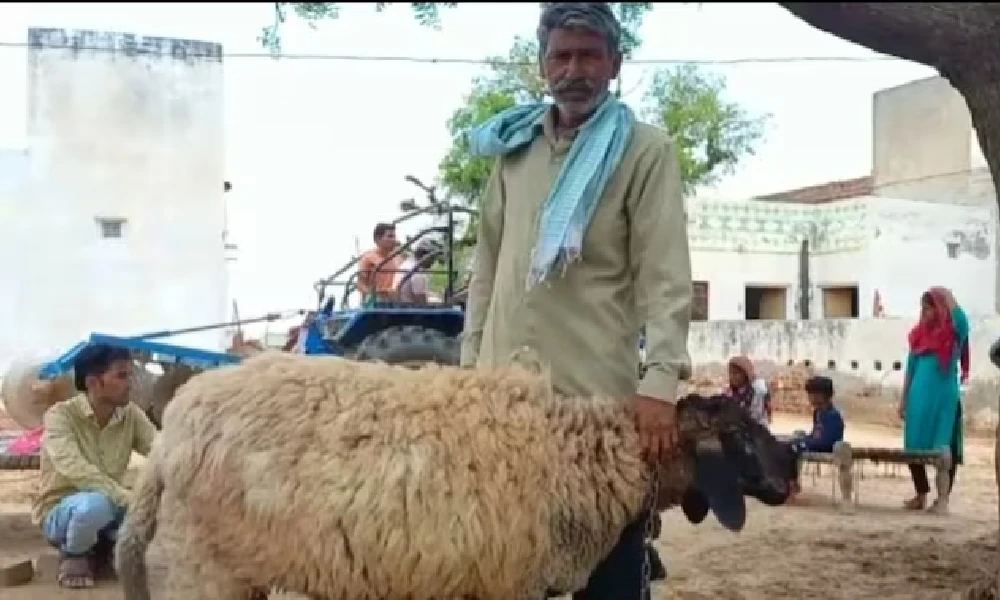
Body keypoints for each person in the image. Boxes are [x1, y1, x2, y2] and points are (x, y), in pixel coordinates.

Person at [460, 4, 692, 597]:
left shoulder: (646, 151)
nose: (574, 69)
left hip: (596, 411)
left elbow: (664, 277)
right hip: (501, 406)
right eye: (561, 55)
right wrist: (467, 370)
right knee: (503, 570)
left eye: (589, 54)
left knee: (610, 576)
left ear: (614, 63)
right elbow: (488, 264)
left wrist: (660, 384)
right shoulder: (512, 149)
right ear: (542, 65)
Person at [33, 344, 158, 589]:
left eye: (130, 375)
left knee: (157, 505)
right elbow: (75, 468)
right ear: (93, 382)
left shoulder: (131, 415)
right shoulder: (60, 416)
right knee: (94, 505)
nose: (130, 383)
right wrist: (125, 498)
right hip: (62, 512)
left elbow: (161, 451)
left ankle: (104, 545)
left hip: (110, 505)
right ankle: (75, 554)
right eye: (121, 376)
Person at [899, 286, 968, 512]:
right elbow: (911, 369)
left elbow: (961, 317)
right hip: (918, 399)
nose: (925, 313)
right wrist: (903, 399)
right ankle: (921, 494)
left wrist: (947, 294)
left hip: (944, 400)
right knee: (912, 446)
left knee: (944, 448)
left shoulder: (953, 334)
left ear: (939, 309)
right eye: (923, 308)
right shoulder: (918, 335)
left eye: (929, 308)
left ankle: (943, 500)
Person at [357, 222, 402, 302]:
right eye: (390, 236)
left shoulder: (397, 257)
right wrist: (372, 296)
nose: (393, 240)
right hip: (376, 303)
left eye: (394, 236)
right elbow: (360, 284)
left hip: (394, 302)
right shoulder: (368, 258)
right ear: (378, 239)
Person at [724, 356, 772, 429]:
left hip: (756, 431)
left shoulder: (756, 393)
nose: (732, 376)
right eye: (730, 373)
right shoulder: (727, 392)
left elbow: (755, 416)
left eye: (736, 373)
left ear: (746, 374)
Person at [397, 238, 442, 304]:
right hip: (412, 310)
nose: (433, 262)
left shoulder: (406, 264)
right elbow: (422, 304)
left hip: (404, 306)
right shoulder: (417, 274)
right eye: (432, 258)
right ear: (425, 256)